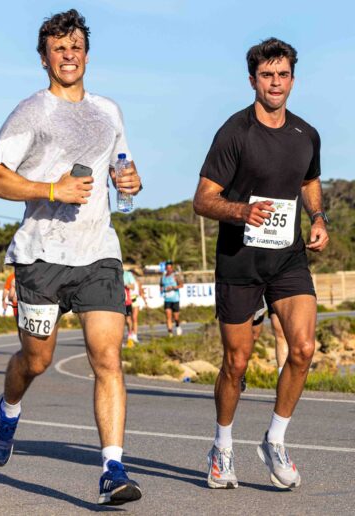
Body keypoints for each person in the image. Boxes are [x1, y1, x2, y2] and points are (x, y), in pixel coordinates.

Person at [0, 9, 142, 506]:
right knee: (37, 360)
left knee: (107, 358)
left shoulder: (108, 111)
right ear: (44, 58)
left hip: (98, 252)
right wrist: (52, 189)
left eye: (75, 47)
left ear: (87, 55)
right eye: (58, 48)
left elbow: (122, 167)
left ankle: (112, 468)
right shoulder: (31, 112)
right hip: (41, 255)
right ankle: (8, 409)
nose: (68, 55)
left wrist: (131, 181)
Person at [194, 37, 329, 490]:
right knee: (236, 363)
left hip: (288, 258)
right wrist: (241, 211)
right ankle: (222, 447)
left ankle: (275, 439)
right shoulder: (235, 132)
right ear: (252, 80)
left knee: (303, 348)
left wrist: (319, 218)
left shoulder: (306, 134)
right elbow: (203, 199)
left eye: (283, 74)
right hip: (240, 262)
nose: (275, 83)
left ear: (293, 79)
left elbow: (309, 181)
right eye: (267, 75)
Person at [241, 302, 288, 392]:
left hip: (275, 293)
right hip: (258, 295)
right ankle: (240, 370)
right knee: (253, 335)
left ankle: (284, 385)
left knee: (280, 331)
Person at [160, 260, 183, 337]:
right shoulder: (163, 277)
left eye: (170, 268)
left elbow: (181, 285)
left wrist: (173, 287)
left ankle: (178, 326)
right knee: (168, 316)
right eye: (167, 268)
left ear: (172, 268)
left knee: (176, 317)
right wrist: (163, 290)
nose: (169, 269)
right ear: (165, 268)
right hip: (167, 299)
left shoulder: (175, 276)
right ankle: (170, 333)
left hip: (175, 299)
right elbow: (161, 286)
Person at [123, 267, 146, 344]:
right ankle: (130, 333)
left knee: (134, 318)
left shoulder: (137, 282)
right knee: (128, 320)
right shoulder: (125, 280)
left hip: (135, 300)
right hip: (127, 300)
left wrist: (145, 301)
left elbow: (141, 292)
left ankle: (134, 336)